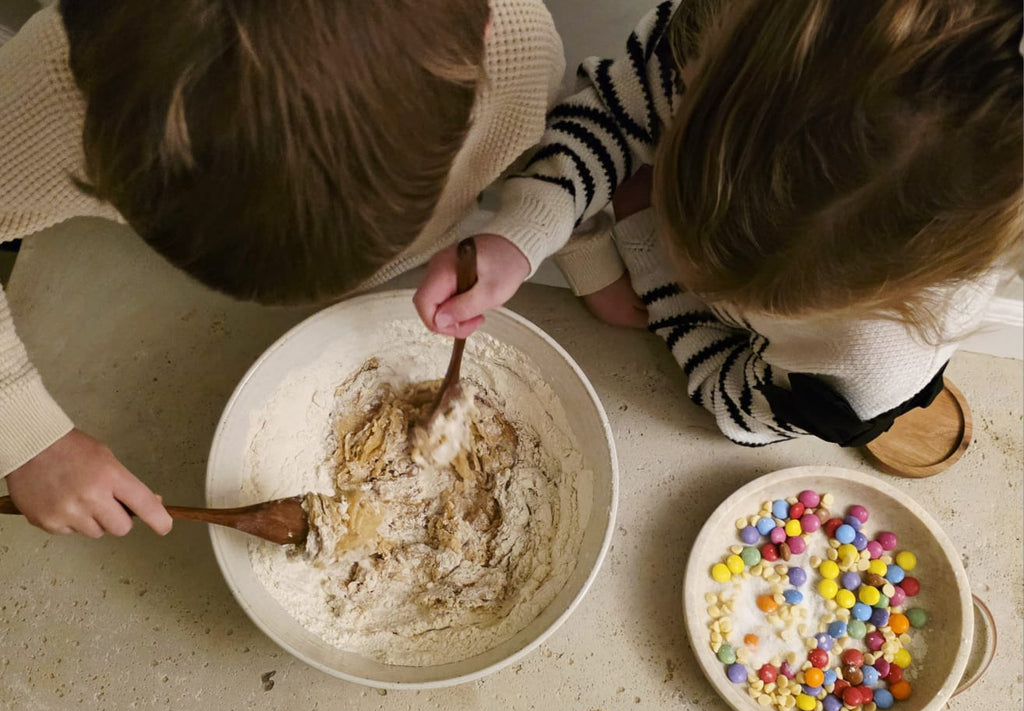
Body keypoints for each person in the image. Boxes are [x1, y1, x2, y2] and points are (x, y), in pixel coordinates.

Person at [0, 0, 567, 536]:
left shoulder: (516, 52)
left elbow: (566, 146)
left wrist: (530, 228)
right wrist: (25, 434)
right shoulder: (50, 102)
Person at [415, 0, 1023, 446]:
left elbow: (734, 406)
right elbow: (609, 114)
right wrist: (526, 234)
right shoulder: (714, 35)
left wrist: (649, 255)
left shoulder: (869, 371)